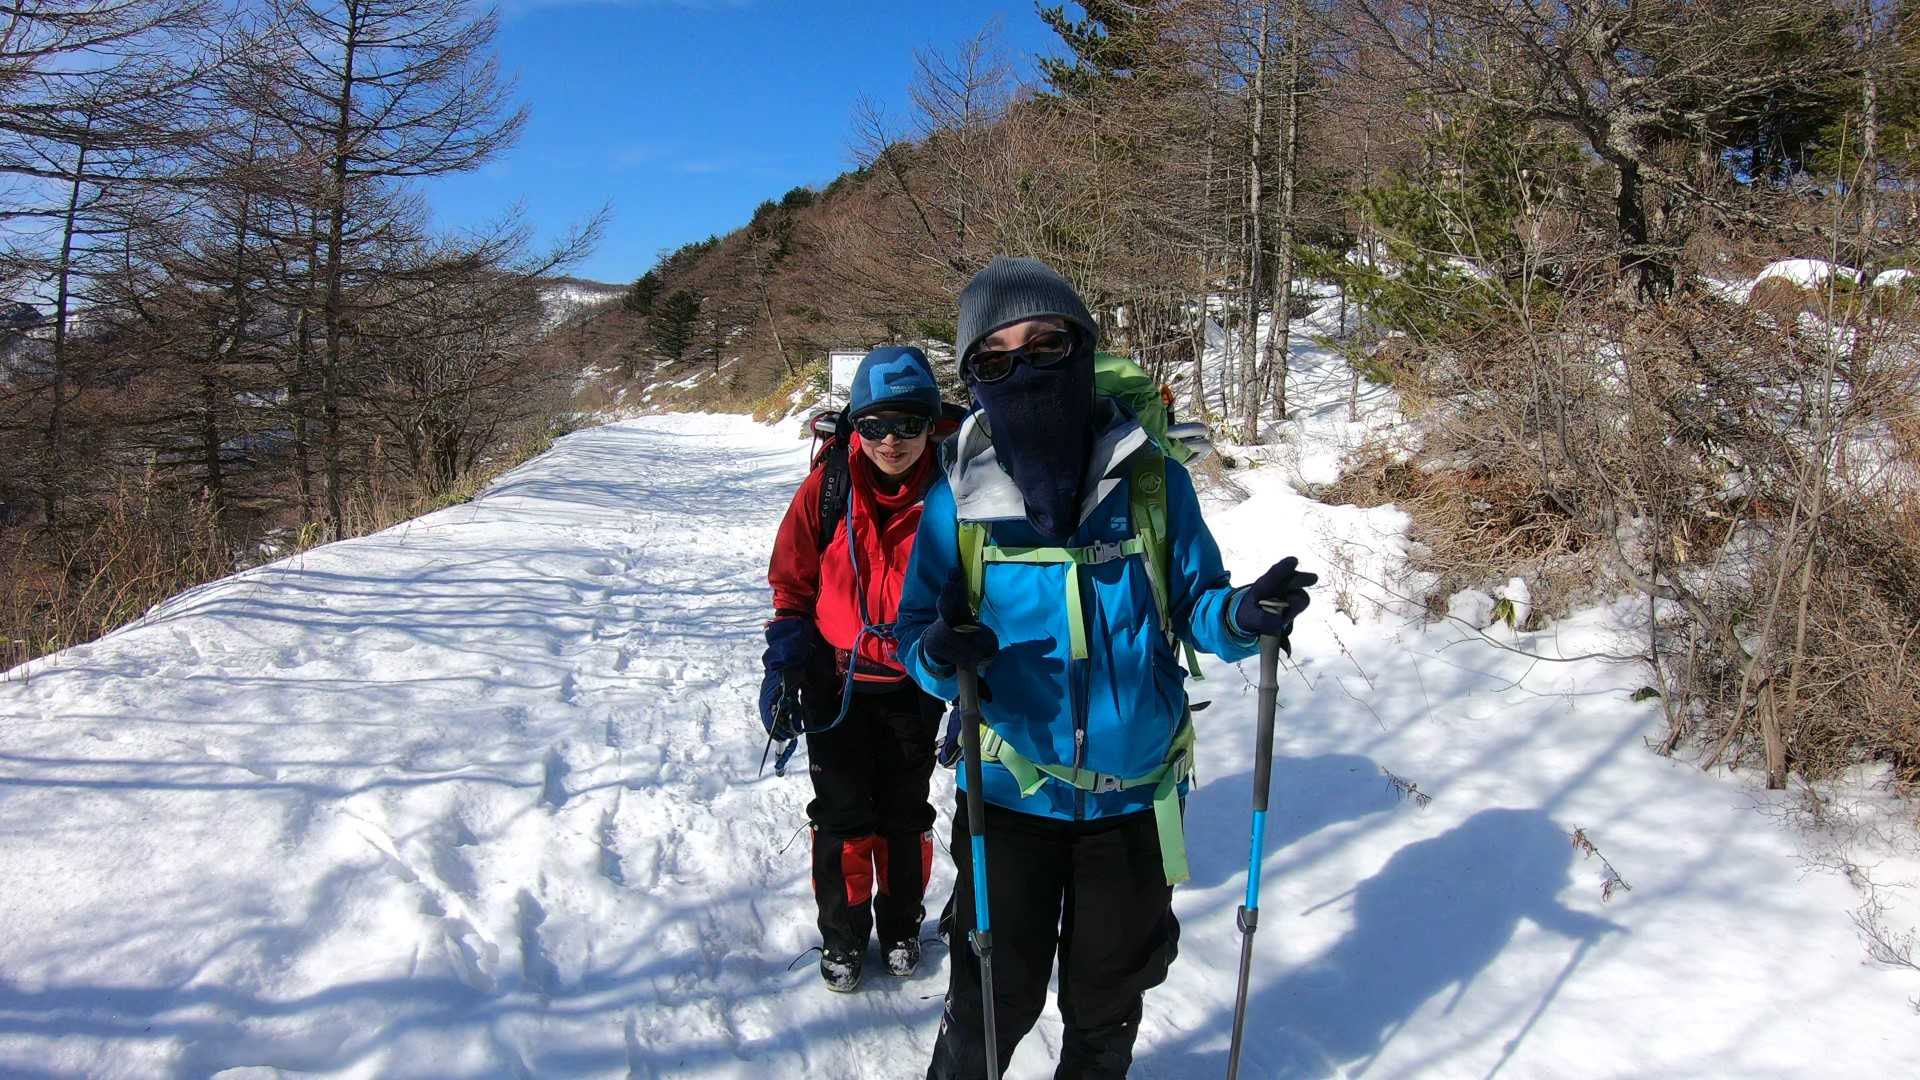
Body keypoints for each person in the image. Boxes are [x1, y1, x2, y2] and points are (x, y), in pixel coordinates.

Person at [894, 257, 1317, 1079]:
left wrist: (1242, 617)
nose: (1024, 372)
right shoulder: (958, 500)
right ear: (974, 380)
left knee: (1105, 1009)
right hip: (1007, 797)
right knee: (990, 1006)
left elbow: (1196, 605)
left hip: (1134, 801)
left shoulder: (1154, 483)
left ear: (1082, 347)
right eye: (995, 360)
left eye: (1045, 346)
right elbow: (917, 634)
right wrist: (940, 656)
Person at [762, 345, 954, 992]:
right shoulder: (829, 486)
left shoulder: (956, 493)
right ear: (856, 426)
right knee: (842, 815)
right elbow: (792, 581)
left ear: (932, 423)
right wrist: (784, 663)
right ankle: (842, 936)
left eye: (907, 423)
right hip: (835, 681)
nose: (890, 440)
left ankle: (900, 927)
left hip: (914, 682)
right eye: (874, 425)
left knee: (905, 814)